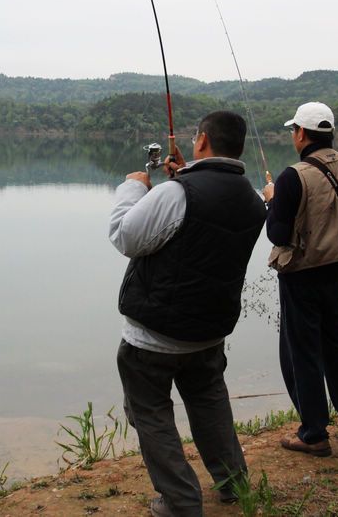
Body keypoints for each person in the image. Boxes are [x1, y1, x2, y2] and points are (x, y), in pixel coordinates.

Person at [109, 110, 267, 517]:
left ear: (201, 141)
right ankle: (233, 484)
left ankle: (180, 502)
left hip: (155, 334)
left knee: (150, 414)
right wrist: (181, 178)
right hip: (210, 331)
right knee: (209, 402)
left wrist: (134, 188)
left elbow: (126, 237)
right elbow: (201, 226)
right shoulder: (252, 201)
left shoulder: (175, 194)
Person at [262, 102, 338, 457]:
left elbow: (278, 234)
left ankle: (314, 434)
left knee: (303, 353)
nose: (293, 135)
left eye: (294, 130)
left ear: (302, 134)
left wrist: (272, 200)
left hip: (302, 276)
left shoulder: (293, 176)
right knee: (337, 344)